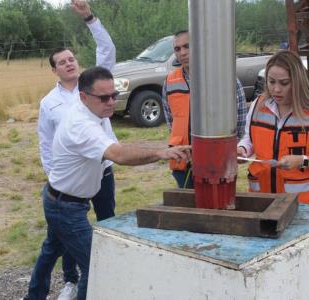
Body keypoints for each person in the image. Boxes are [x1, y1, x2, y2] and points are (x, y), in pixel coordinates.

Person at [29, 66, 190, 300]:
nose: (111, 102)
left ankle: (33, 296)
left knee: (51, 249)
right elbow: (120, 155)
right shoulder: (80, 124)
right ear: (83, 97)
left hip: (64, 199)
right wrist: (162, 153)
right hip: (66, 207)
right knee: (94, 264)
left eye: (114, 95)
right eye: (104, 97)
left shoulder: (94, 112)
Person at [34, 1, 116, 299]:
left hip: (101, 171)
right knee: (65, 236)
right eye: (62, 61)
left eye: (71, 59)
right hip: (69, 180)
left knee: (105, 223)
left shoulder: (95, 83)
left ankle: (101, 277)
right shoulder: (49, 103)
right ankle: (71, 281)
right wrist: (54, 176)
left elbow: (107, 50)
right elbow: (45, 142)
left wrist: (90, 18)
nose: (69, 63)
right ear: (54, 70)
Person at [161, 29, 247, 188]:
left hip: (217, 162)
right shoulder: (170, 82)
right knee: (189, 208)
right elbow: (171, 123)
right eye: (177, 49)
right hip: (183, 163)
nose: (182, 52)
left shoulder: (226, 79)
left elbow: (240, 120)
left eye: (187, 46)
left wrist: (231, 151)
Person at [237, 50, 309, 203]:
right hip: (261, 198)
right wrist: (242, 150)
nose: (276, 89)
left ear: (297, 81)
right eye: (271, 82)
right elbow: (249, 138)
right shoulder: (258, 104)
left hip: (301, 205)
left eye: (284, 83)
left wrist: (301, 161)